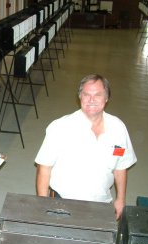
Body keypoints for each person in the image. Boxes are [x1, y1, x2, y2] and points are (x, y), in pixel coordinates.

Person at [35, 74, 137, 220]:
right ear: (80, 97)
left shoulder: (118, 128)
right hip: (62, 203)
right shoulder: (60, 127)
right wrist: (42, 205)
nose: (91, 100)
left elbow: (120, 167)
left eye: (98, 95)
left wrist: (120, 199)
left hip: (101, 203)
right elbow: (44, 168)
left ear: (106, 98)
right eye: (86, 95)